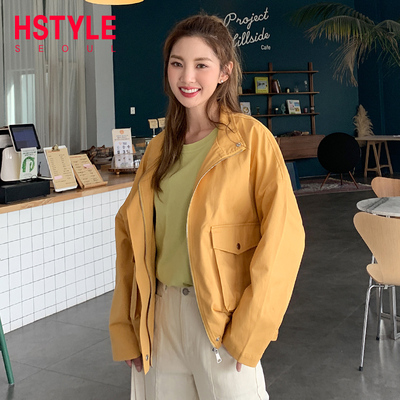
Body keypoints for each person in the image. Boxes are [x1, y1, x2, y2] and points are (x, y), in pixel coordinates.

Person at [109, 13, 305, 400]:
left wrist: (250, 330)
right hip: (160, 318)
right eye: (177, 63)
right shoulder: (157, 150)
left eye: (201, 65)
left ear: (224, 72)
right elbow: (130, 245)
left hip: (221, 322)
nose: (187, 77)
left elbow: (284, 240)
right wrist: (127, 327)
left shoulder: (251, 141)